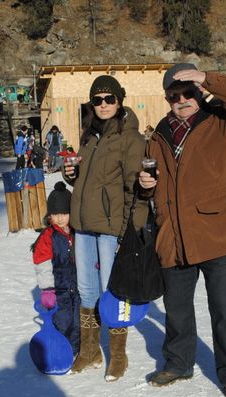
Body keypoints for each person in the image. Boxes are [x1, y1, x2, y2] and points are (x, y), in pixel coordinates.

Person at [138, 63, 226, 397]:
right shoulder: (158, 136)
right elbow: (154, 185)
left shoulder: (223, 124)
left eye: (188, 92)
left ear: (199, 92)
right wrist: (145, 186)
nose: (182, 100)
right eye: (174, 95)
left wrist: (208, 79)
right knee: (176, 309)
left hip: (215, 233)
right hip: (173, 236)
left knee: (225, 310)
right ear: (167, 98)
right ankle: (178, 363)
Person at [62, 75, 148, 381]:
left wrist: (129, 232)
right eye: (96, 100)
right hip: (84, 223)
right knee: (87, 289)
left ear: (119, 101)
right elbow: (87, 181)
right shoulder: (90, 137)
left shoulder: (131, 139)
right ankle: (89, 351)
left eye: (109, 99)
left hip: (112, 227)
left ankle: (118, 356)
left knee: (113, 291)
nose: (103, 105)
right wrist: (71, 174)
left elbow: (135, 191)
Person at [31, 181, 80, 356]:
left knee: (78, 322)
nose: (60, 218)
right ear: (49, 215)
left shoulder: (77, 232)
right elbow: (42, 264)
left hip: (78, 288)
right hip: (59, 290)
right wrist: (47, 289)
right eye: (55, 214)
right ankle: (62, 350)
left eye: (64, 213)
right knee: (63, 321)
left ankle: (75, 351)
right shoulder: (48, 236)